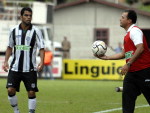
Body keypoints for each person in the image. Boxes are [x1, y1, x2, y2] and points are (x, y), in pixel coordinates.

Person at [94, 10, 150, 113]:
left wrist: (128, 64)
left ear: (129, 20)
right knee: (127, 100)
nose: (120, 19)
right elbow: (123, 54)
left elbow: (140, 48)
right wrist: (107, 58)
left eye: (123, 17)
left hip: (145, 71)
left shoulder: (135, 31)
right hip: (132, 74)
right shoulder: (127, 35)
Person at [3, 7, 45, 113]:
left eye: (30, 15)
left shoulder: (36, 31)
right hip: (15, 67)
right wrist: (5, 61)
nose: (28, 17)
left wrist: (42, 62)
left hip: (30, 68)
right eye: (26, 15)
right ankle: (16, 111)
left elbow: (41, 48)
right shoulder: (13, 30)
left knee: (31, 92)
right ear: (21, 16)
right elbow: (9, 47)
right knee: (10, 90)